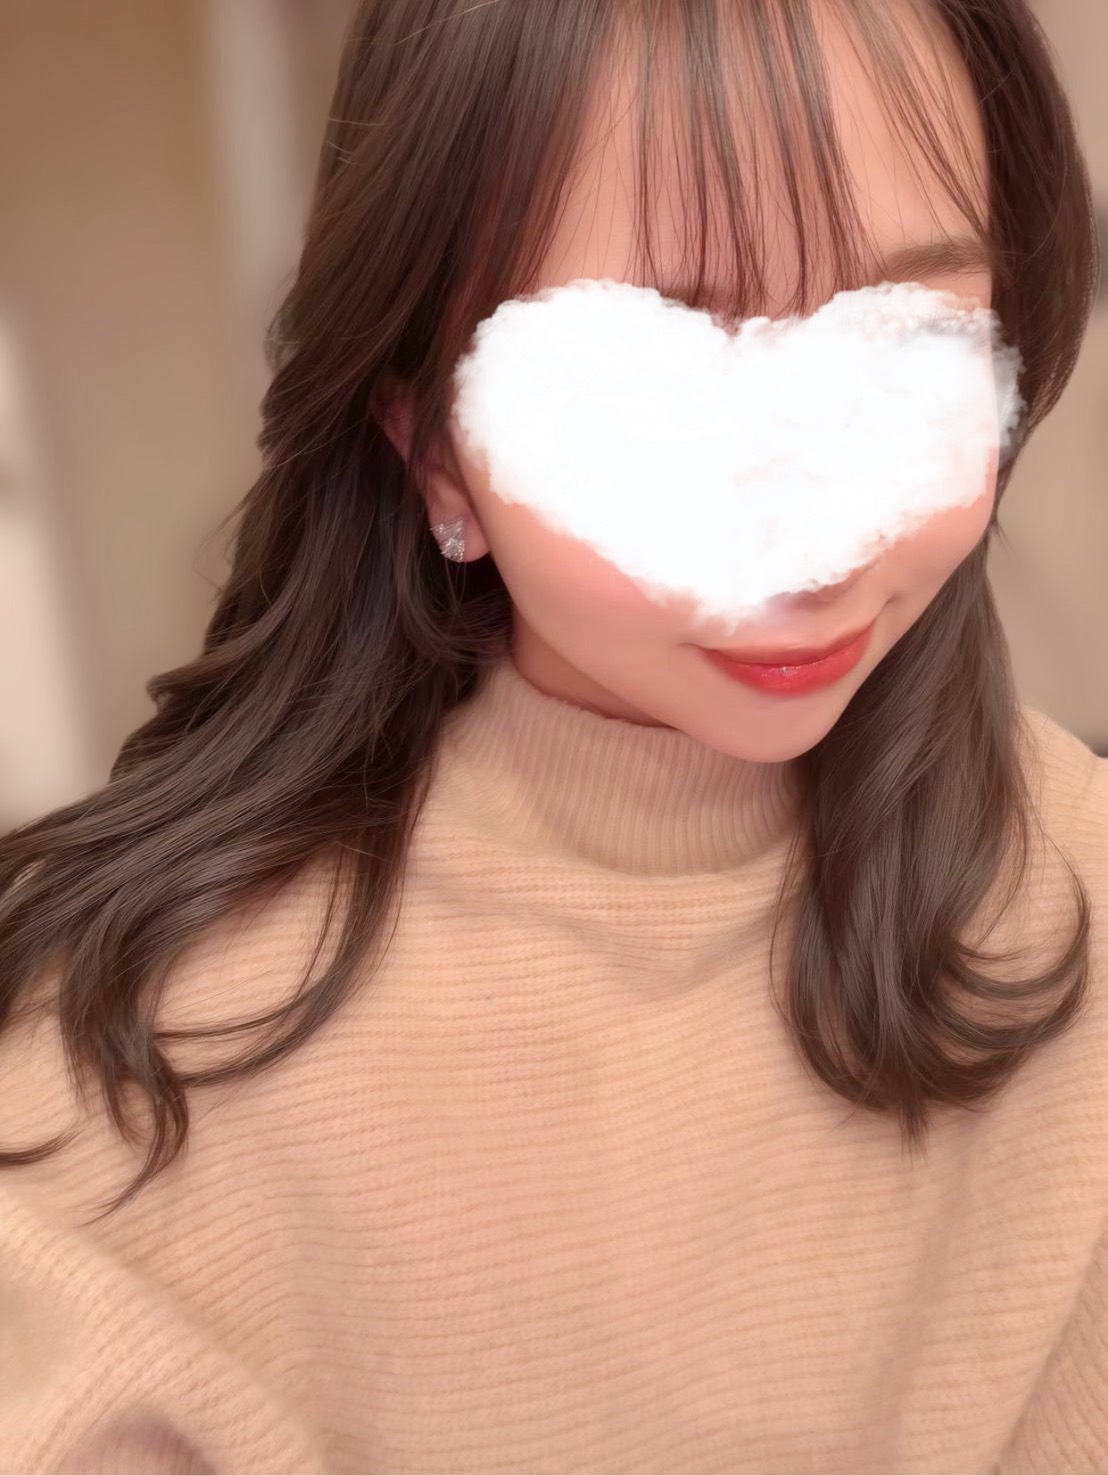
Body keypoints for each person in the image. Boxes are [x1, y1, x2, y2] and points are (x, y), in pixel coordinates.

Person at [0, 1, 1104, 1470]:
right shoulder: (128, 1088)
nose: (818, 539)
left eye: (906, 349)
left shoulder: (1078, 882)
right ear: (433, 443)